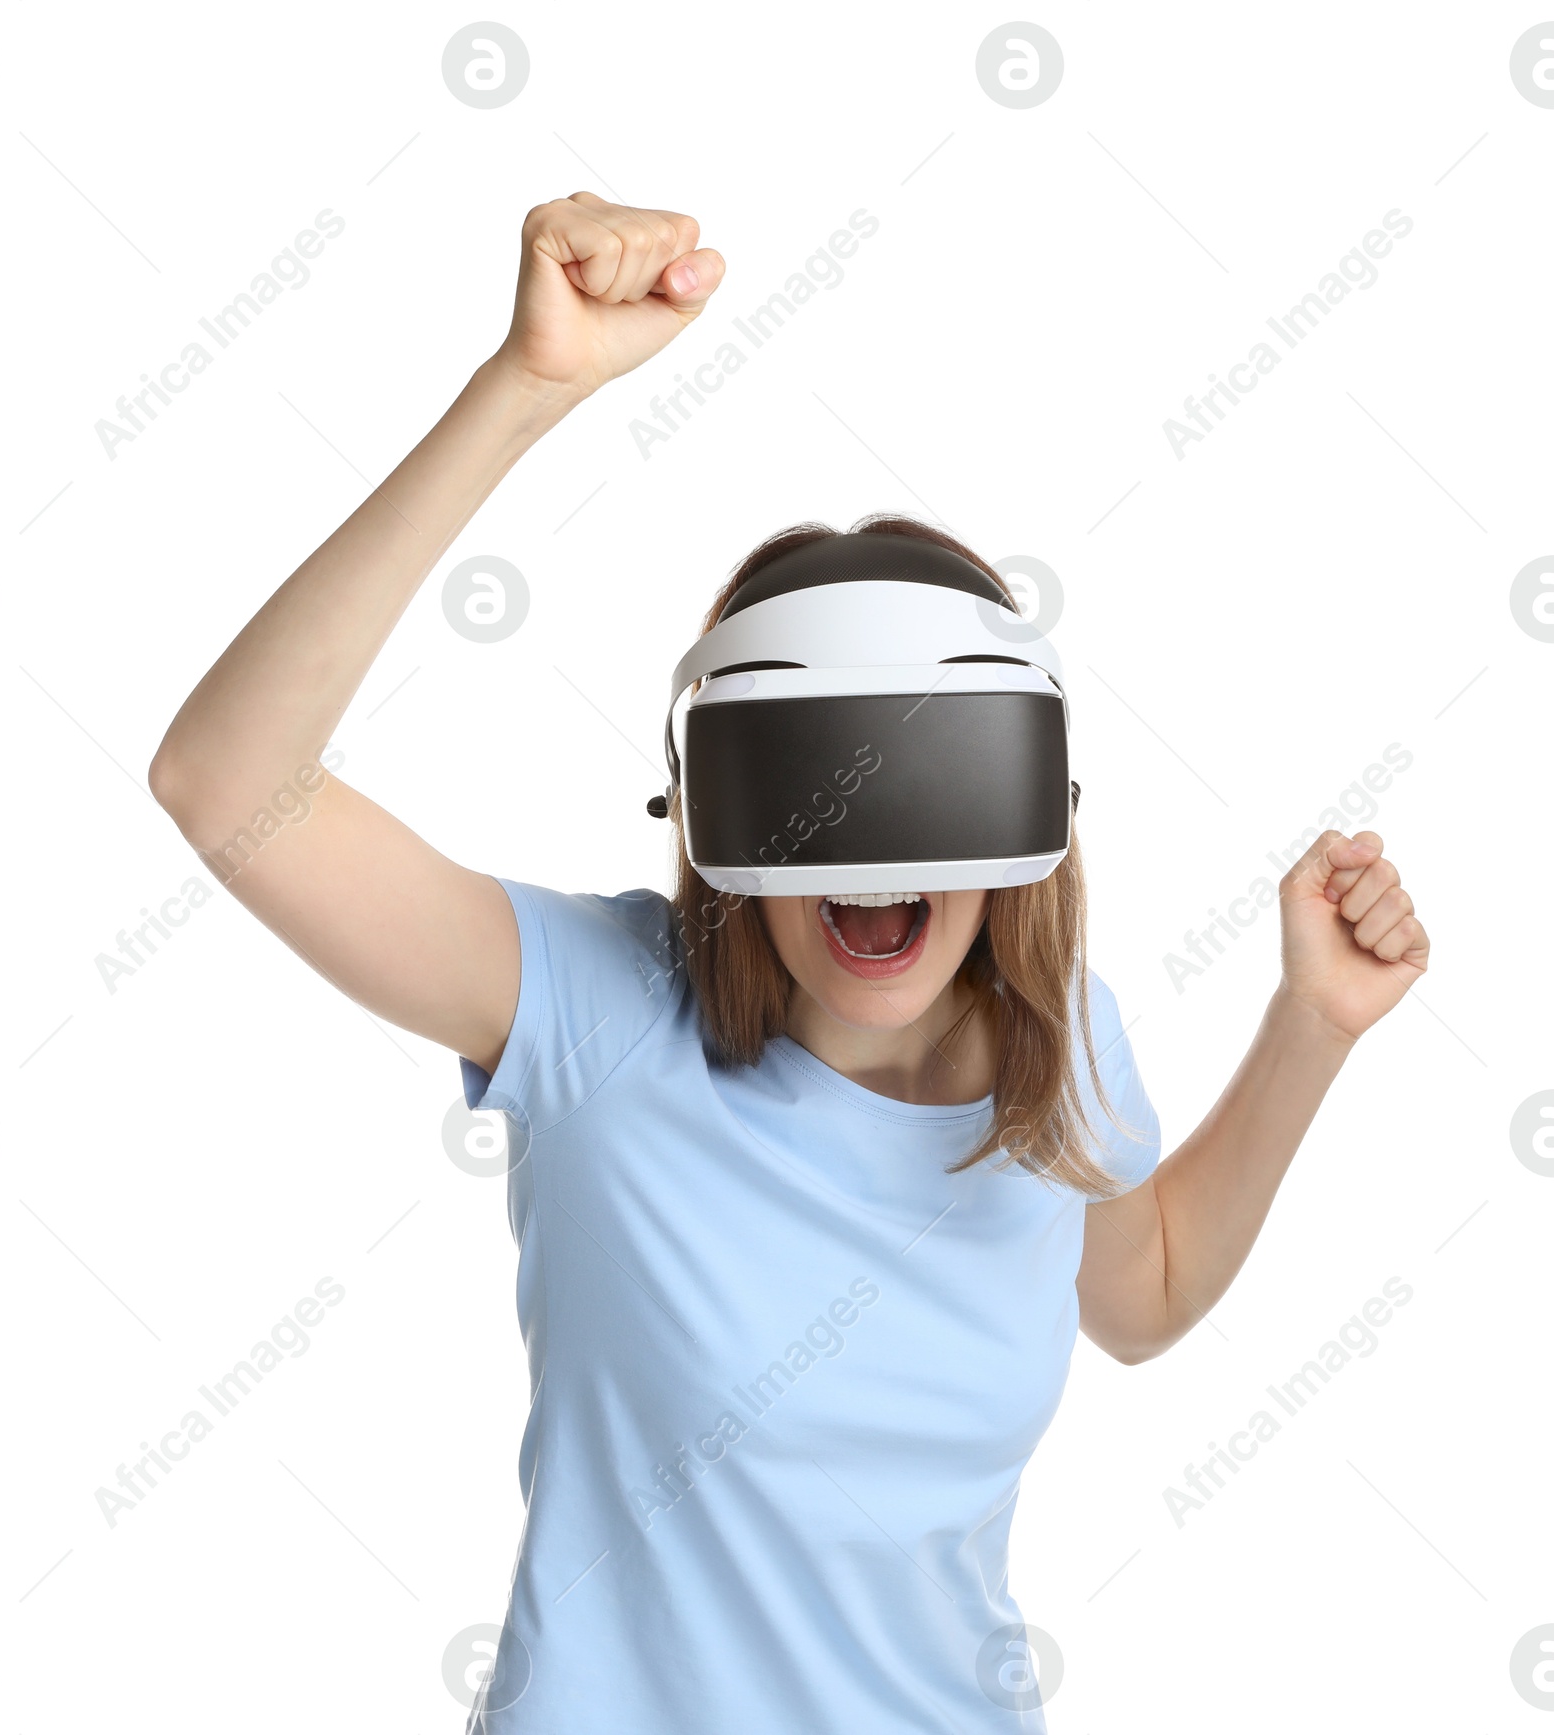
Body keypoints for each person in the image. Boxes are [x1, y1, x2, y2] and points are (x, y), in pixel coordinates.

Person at [149, 193, 1431, 1732]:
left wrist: (1313, 1026)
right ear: (715, 820)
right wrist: (524, 394)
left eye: (925, 778)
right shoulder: (594, 1012)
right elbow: (229, 789)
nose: (873, 856)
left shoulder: (1059, 1044)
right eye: (816, 788)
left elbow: (1142, 1290)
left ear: (1026, 818)